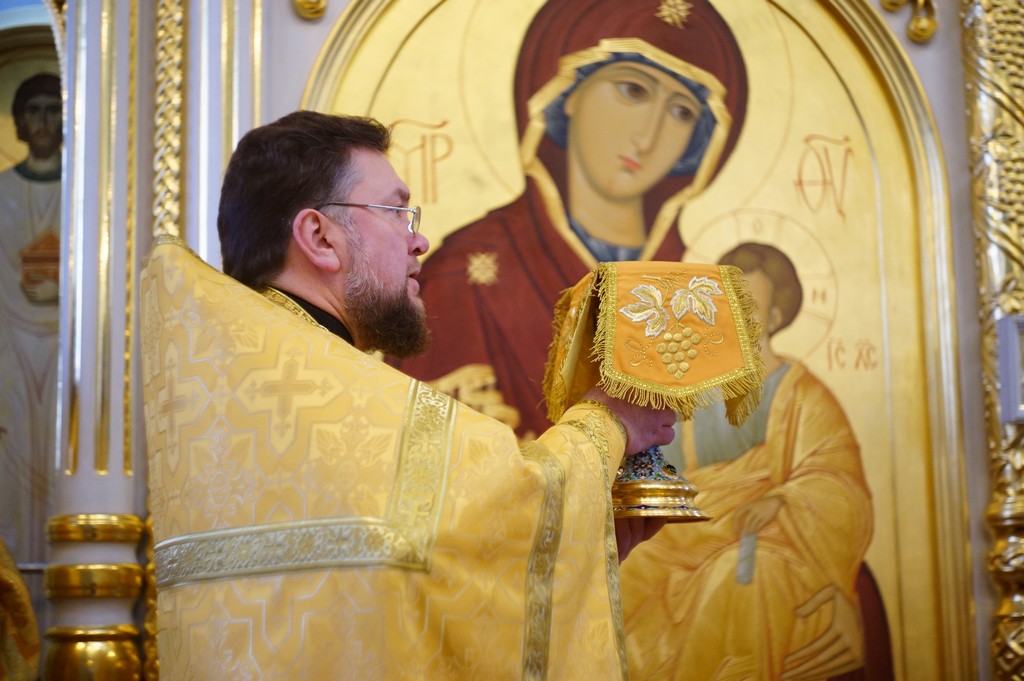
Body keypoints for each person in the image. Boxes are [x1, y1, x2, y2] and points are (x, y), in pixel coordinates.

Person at [141, 110, 676, 680]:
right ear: (319, 237)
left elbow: (392, 584)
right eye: (397, 212)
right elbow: (492, 501)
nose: (419, 240)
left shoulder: (236, 394)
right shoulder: (328, 398)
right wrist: (609, 421)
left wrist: (569, 547)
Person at [395, 0, 748, 440]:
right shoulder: (460, 279)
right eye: (633, 90)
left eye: (682, 112)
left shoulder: (702, 293)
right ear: (567, 92)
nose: (648, 136)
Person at [618, 242, 883, 680]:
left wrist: (784, 499)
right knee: (628, 574)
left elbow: (839, 486)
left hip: (775, 541)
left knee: (730, 579)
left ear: (775, 317)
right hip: (689, 536)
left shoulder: (802, 395)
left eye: (751, 309)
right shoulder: (691, 393)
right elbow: (664, 477)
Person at [0, 72, 62, 614]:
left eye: (52, 109)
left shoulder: (86, 194)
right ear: (18, 123)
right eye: (33, 110)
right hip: (10, 352)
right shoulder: (2, 193)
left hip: (68, 352)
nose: (43, 121)